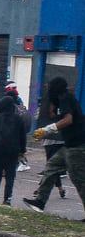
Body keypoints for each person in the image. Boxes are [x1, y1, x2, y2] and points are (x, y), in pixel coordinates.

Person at [24, 74, 85, 210]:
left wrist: (47, 130)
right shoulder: (64, 99)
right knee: (51, 167)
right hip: (69, 145)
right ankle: (40, 201)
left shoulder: (65, 98)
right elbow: (57, 116)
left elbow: (68, 120)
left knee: (79, 179)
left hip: (77, 147)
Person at [0, 83, 29, 203]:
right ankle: (7, 198)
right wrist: (22, 151)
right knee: (10, 176)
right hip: (13, 151)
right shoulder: (18, 119)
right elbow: (22, 137)